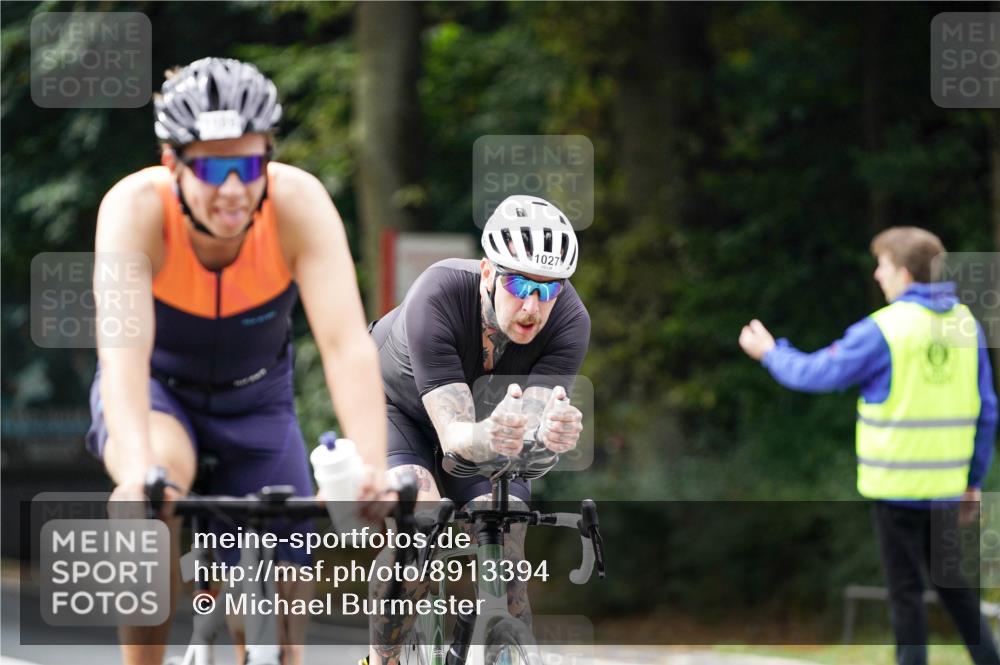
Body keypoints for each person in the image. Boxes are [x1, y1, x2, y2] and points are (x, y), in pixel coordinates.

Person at [86, 57, 388, 665]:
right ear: (173, 164)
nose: (233, 189)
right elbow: (122, 353)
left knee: (280, 630)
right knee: (144, 499)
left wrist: (374, 467)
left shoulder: (298, 204)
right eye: (213, 167)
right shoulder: (134, 211)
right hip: (157, 395)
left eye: (249, 166)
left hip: (257, 402)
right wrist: (142, 470)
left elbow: (345, 344)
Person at [739, 226, 1000, 665]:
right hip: (946, 490)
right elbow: (987, 410)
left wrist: (769, 353)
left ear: (903, 273)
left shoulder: (885, 328)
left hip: (896, 489)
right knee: (955, 591)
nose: (878, 275)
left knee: (906, 597)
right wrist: (973, 481)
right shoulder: (965, 324)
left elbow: (816, 374)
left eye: (882, 265)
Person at [364, 194, 591, 665]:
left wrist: (550, 438)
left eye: (547, 289)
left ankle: (506, 643)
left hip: (486, 425)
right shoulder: (440, 292)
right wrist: (498, 437)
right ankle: (381, 658)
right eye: (519, 283)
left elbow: (523, 445)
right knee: (418, 519)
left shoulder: (569, 321)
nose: (532, 304)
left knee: (505, 540)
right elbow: (456, 438)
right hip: (397, 409)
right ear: (488, 273)